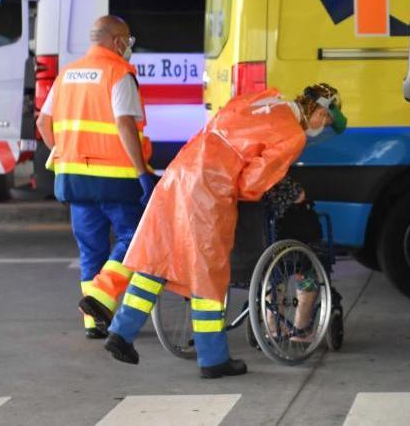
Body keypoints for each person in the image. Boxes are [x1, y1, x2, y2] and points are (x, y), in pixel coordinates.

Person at [89, 83, 346, 378]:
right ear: (318, 108)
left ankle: (121, 333)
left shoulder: (266, 99)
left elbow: (221, 118)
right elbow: (252, 182)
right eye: (326, 119)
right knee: (208, 272)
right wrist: (234, 187)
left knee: (159, 257)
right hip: (210, 184)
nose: (323, 126)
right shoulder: (293, 134)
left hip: (182, 169)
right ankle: (213, 358)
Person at [36, 15, 155, 339]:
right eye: (127, 41)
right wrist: (141, 172)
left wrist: (67, 151)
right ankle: (101, 296)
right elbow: (125, 124)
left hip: (74, 179)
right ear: (116, 41)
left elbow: (44, 125)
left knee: (91, 248)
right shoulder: (118, 73)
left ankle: (94, 322)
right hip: (116, 178)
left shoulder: (66, 75)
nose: (129, 47)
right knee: (134, 240)